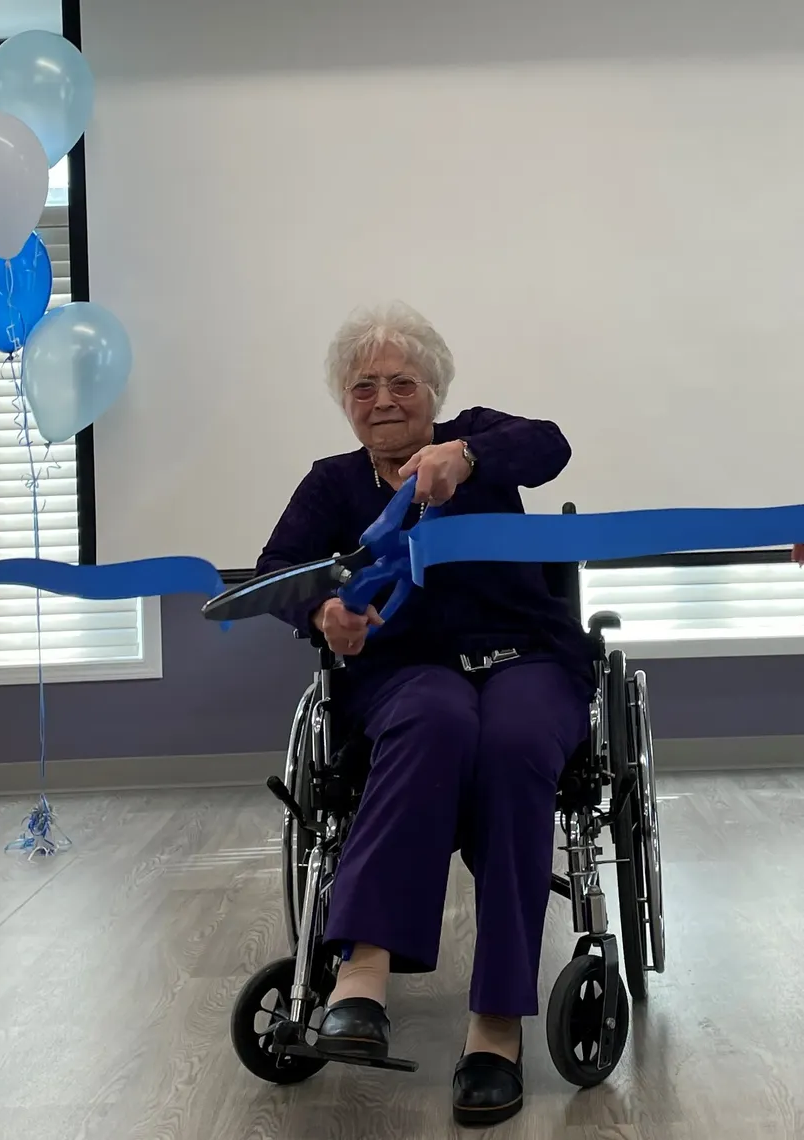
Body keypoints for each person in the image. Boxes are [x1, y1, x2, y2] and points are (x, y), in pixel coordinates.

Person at [256, 302, 597, 1128]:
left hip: (525, 658)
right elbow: (276, 573)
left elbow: (550, 444)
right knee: (433, 720)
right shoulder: (331, 484)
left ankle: (495, 1028)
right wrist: (322, 613)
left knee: (515, 744)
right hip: (407, 672)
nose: (383, 400)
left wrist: (464, 454)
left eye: (402, 383)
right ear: (345, 402)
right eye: (363, 387)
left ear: (433, 392)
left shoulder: (478, 442)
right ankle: (360, 977)